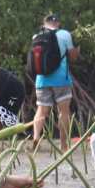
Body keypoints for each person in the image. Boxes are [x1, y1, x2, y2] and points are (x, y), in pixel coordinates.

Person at [29, 13, 79, 151]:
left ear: (44, 23)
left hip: (41, 79)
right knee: (64, 112)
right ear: (57, 23)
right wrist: (77, 50)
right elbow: (72, 56)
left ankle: (36, 137)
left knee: (41, 110)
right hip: (61, 79)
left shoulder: (36, 37)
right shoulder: (65, 34)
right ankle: (63, 145)